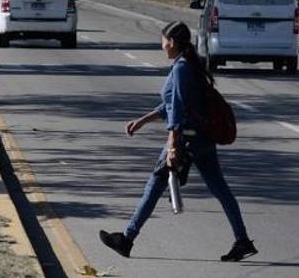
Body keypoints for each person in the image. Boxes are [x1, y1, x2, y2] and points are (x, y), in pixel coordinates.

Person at [99, 20, 258, 262]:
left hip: (186, 140)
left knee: (154, 187)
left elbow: (179, 109)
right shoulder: (188, 64)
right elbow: (172, 103)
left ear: (172, 42)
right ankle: (242, 240)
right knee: (221, 190)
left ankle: (127, 239)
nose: (161, 46)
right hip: (201, 139)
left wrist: (173, 145)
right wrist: (143, 120)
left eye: (163, 41)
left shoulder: (182, 68)